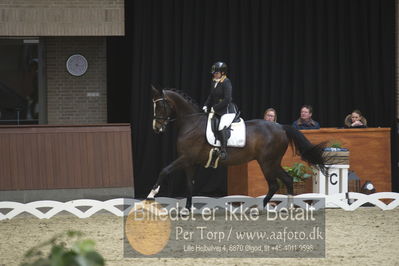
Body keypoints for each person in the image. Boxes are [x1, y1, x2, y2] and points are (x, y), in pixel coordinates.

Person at [202, 61, 237, 160]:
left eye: (216, 73)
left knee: (221, 126)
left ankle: (223, 151)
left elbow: (227, 99)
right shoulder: (214, 81)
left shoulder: (226, 82)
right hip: (217, 110)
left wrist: (215, 107)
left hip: (227, 110)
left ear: (222, 73)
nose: (214, 74)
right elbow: (211, 95)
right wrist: (206, 105)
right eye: (214, 73)